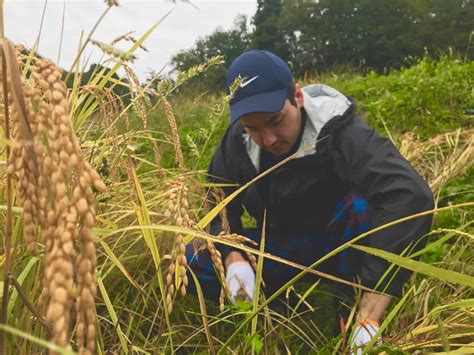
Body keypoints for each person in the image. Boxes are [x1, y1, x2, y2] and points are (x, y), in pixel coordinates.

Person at [185, 49, 434, 352]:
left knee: (361, 207)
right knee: (193, 259)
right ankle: (277, 308)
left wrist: (370, 312)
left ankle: (355, 309)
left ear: (297, 97)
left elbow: (411, 196)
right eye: (254, 128)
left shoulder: (339, 130)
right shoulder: (238, 140)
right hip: (284, 246)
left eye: (276, 121)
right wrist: (232, 256)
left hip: (342, 243)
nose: (269, 139)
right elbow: (217, 201)